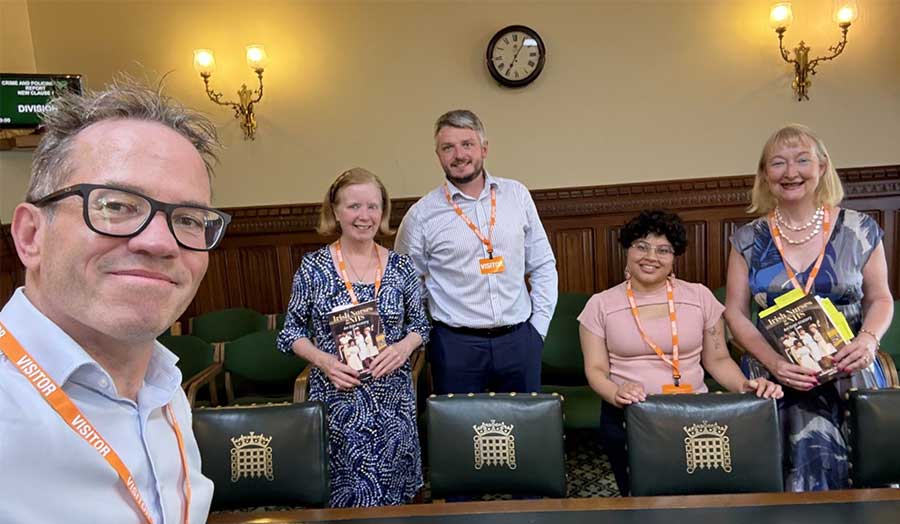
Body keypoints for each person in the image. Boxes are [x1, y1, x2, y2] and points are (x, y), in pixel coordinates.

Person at [0, 77, 227, 522]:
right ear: (31, 235)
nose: (160, 243)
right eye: (116, 206)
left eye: (188, 218)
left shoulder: (165, 390)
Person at [724, 124, 892, 491]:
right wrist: (775, 364)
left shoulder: (861, 229)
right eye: (778, 163)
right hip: (775, 376)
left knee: (865, 481)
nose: (791, 172)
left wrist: (868, 341)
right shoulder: (747, 239)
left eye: (802, 160)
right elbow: (735, 312)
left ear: (822, 167)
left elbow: (880, 298)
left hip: (849, 368)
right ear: (764, 174)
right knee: (783, 481)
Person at [578, 209, 782, 496]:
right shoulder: (600, 305)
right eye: (641, 246)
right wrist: (616, 393)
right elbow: (595, 369)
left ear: (674, 257)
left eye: (663, 250)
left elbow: (718, 359)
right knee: (638, 499)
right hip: (629, 417)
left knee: (696, 497)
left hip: (692, 416)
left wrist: (743, 385)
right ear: (628, 249)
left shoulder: (699, 297)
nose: (651, 257)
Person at [277, 167, 430, 507]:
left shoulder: (401, 266)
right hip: (338, 402)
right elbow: (291, 332)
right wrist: (323, 361)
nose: (365, 216)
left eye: (373, 206)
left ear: (383, 211)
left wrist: (404, 347)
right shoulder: (313, 268)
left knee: (396, 501)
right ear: (335, 211)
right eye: (354, 206)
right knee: (342, 499)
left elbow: (421, 325)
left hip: (392, 404)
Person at [394, 109, 558, 394]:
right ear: (438, 155)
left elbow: (542, 264)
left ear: (484, 148)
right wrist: (431, 336)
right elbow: (407, 286)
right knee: (459, 424)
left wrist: (537, 330)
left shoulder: (517, 195)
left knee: (525, 422)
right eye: (448, 147)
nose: (459, 155)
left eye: (467, 144)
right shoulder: (421, 215)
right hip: (455, 349)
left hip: (519, 342)